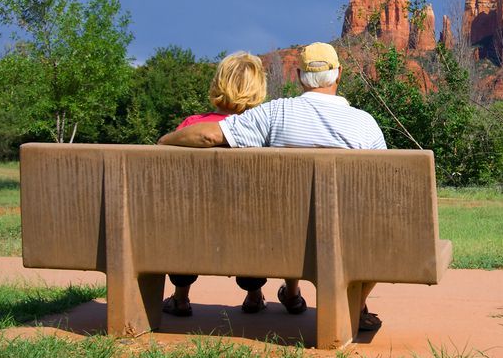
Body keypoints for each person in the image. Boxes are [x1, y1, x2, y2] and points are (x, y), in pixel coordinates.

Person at [158, 42, 388, 331]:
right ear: (339, 74)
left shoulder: (274, 114)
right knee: (373, 227)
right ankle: (355, 304)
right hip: (343, 235)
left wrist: (164, 140)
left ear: (299, 75)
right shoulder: (364, 123)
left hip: (281, 236)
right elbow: (383, 190)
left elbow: (209, 136)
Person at [161, 51, 270, 318]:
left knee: (184, 220)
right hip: (249, 231)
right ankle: (254, 294)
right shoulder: (263, 131)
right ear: (258, 90)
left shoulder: (191, 126)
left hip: (194, 228)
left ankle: (181, 297)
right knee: (254, 220)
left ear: (218, 84)